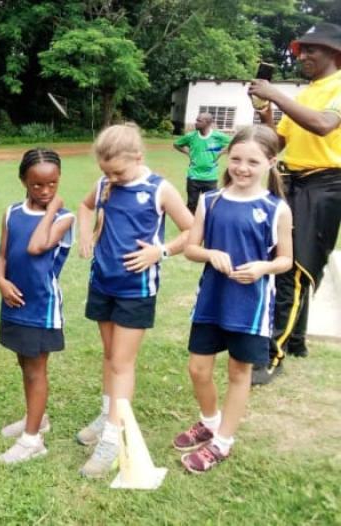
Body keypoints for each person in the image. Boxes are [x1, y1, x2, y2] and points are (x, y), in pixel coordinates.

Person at [76, 124, 193, 479]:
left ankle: (114, 438)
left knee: (122, 363)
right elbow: (85, 206)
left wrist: (161, 251)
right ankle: (108, 413)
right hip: (103, 283)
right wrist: (85, 235)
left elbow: (192, 230)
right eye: (107, 172)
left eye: (118, 172)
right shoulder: (105, 183)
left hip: (135, 291)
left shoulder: (159, 189)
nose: (112, 179)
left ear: (138, 158)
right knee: (110, 356)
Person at [176, 126, 293, 472]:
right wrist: (210, 253)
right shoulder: (210, 200)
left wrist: (263, 267)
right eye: (237, 159)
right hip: (212, 300)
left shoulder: (276, 209)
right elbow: (191, 248)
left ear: (271, 162)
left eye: (253, 162)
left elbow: (286, 260)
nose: (242, 168)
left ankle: (223, 442)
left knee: (239, 372)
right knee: (198, 369)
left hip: (250, 306)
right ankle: (210, 421)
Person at [247, 22, 341, 384]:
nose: (302, 56)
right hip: (292, 181)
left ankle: (271, 356)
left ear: (333, 53)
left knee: (294, 268)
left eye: (311, 50)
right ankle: (296, 340)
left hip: (325, 184)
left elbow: (323, 125)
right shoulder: (306, 93)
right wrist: (265, 109)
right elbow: (276, 141)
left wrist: (276, 94)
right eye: (300, 50)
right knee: (287, 262)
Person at [0, 149, 74, 464]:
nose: (45, 191)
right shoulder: (11, 212)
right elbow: (3, 254)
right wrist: (0, 281)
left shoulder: (63, 217)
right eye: (37, 185)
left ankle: (32, 441)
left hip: (41, 306)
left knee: (35, 370)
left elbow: (36, 245)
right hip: (13, 301)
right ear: (23, 181)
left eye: (52, 184)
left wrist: (52, 208)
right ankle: (37, 419)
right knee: (23, 364)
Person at [174, 113, 231, 213]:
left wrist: (221, 153)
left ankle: (206, 222)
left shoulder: (218, 136)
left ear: (208, 123)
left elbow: (234, 142)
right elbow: (177, 144)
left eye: (199, 121)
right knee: (192, 205)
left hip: (210, 178)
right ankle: (191, 222)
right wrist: (188, 153)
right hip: (193, 177)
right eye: (196, 120)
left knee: (209, 205)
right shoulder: (191, 136)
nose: (195, 123)